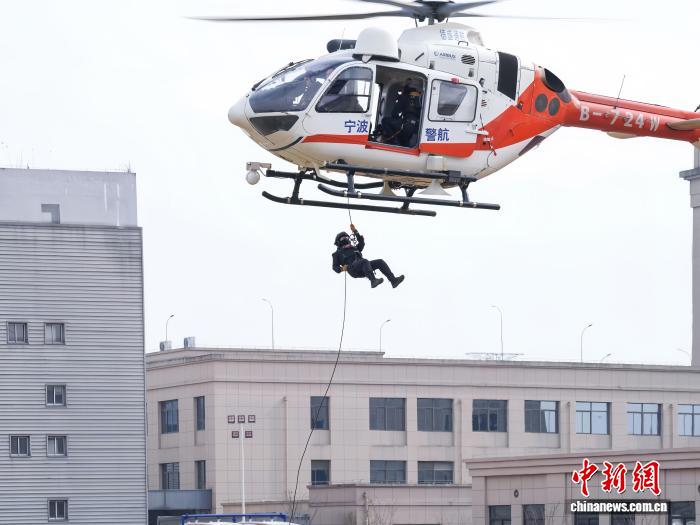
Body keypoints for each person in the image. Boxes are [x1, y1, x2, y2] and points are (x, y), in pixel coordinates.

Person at [332, 224, 405, 289]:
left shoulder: (354, 248)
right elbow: (335, 267)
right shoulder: (337, 253)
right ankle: (373, 281)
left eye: (346, 237)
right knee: (364, 261)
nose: (345, 239)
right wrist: (342, 269)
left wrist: (355, 231)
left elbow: (361, 243)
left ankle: (393, 281)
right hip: (352, 269)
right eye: (343, 238)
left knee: (380, 262)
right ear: (338, 242)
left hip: (364, 267)